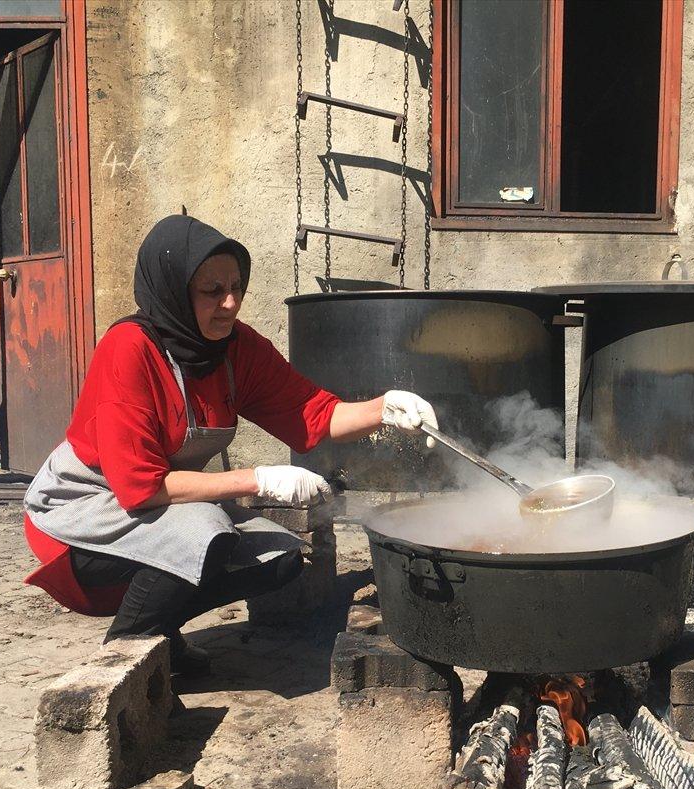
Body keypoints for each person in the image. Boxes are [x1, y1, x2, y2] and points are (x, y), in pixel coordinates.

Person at [22, 215, 436, 673]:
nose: (230, 303)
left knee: (277, 559)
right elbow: (140, 488)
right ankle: (127, 654)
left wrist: (386, 408)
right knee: (205, 531)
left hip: (158, 505)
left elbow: (313, 415)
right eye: (211, 291)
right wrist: (259, 480)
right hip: (80, 508)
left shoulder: (236, 348)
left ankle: (160, 629)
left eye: (237, 286)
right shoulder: (129, 350)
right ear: (174, 292)